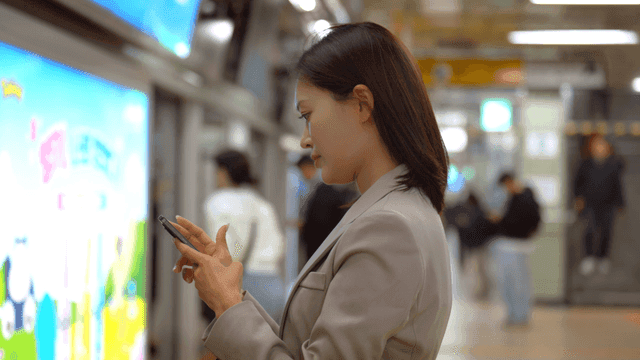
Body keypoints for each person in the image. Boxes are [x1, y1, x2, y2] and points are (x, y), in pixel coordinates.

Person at [171, 22, 452, 359]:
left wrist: (228, 304)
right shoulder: (401, 210)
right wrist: (229, 292)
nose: (305, 138)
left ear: (362, 104)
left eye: (308, 114)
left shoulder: (389, 227)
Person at [201, 150, 286, 324]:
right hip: (274, 286)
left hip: (245, 287)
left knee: (231, 348)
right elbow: (279, 245)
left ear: (223, 172)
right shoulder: (262, 204)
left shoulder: (218, 202)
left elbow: (228, 250)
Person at [489, 172, 541, 328]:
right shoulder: (510, 199)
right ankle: (513, 314)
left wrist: (502, 220)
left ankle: (521, 315)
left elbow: (533, 220)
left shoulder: (526, 198)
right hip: (506, 244)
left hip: (519, 246)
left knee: (520, 283)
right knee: (507, 282)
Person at [573, 133, 625, 276]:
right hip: (590, 203)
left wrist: (620, 203)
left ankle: (603, 258)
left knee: (606, 232)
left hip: (608, 205)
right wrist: (578, 199)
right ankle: (589, 258)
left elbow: (617, 186)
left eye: (602, 145)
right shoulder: (585, 164)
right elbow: (577, 183)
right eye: (597, 145)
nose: (599, 148)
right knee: (590, 229)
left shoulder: (613, 165)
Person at [296, 155, 357, 274]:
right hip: (321, 243)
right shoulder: (318, 188)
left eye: (303, 170)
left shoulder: (323, 189)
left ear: (309, 167)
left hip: (320, 243)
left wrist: (306, 227)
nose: (303, 174)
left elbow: (320, 220)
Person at [444, 191, 498, 301]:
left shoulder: (473, 213)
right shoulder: (480, 212)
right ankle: (481, 292)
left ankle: (481, 292)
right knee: (479, 270)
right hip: (477, 246)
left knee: (477, 270)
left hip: (474, 246)